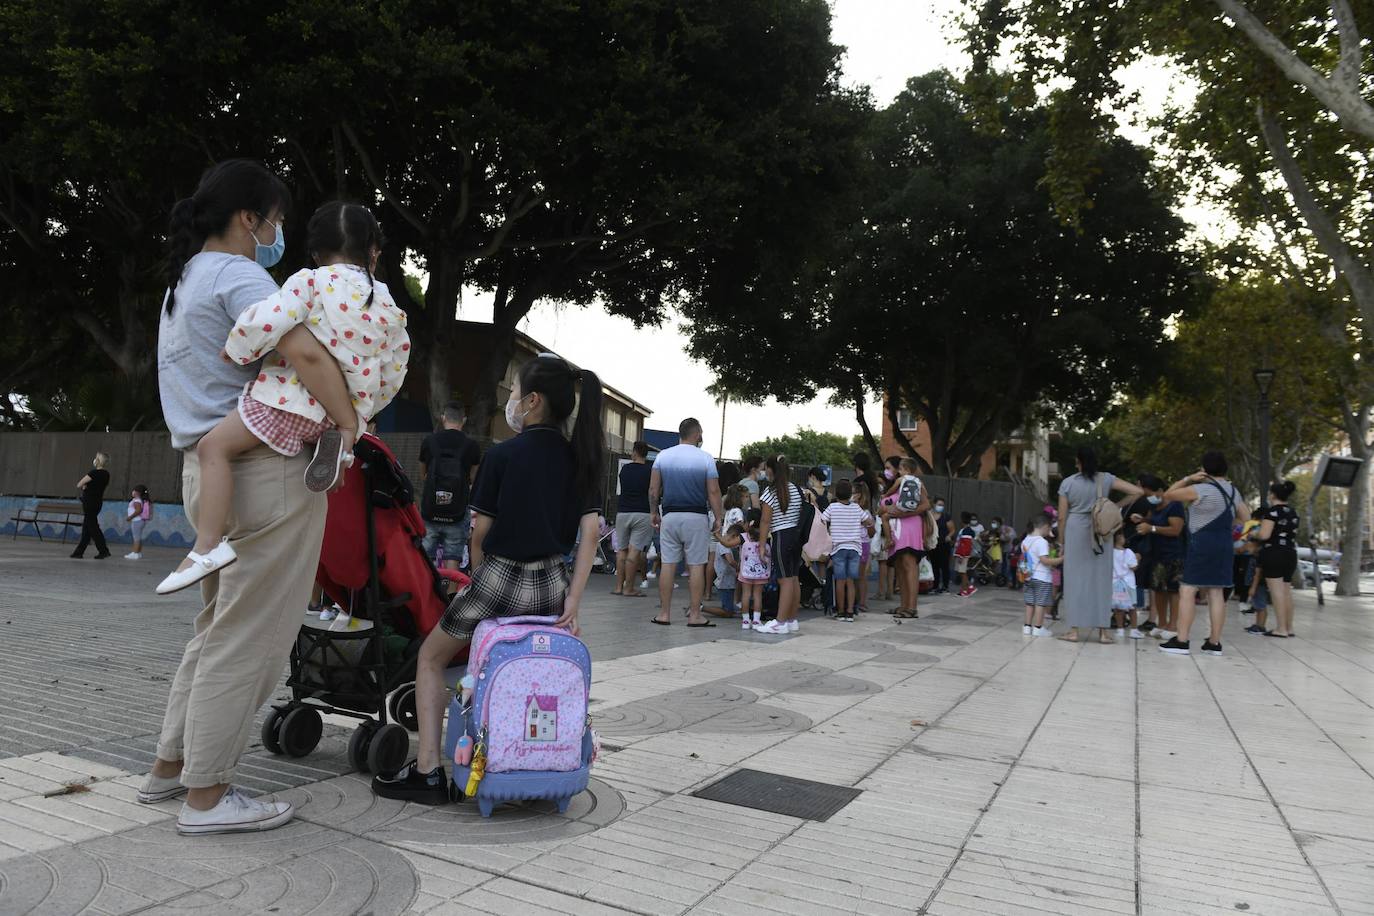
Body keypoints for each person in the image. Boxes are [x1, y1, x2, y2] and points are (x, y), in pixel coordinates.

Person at [142, 159, 348, 835]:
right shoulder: (240, 274)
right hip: (265, 470)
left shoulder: (184, 283)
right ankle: (209, 795)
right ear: (248, 219)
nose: (278, 232)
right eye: (277, 220)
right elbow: (306, 356)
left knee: (215, 631)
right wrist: (348, 420)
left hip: (207, 474)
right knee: (253, 638)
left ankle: (172, 768)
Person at [373, 354, 605, 803]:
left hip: (498, 578)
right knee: (534, 672)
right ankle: (526, 758)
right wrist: (572, 602)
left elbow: (478, 533)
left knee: (432, 659)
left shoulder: (502, 455)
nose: (511, 402)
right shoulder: (583, 459)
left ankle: (428, 772)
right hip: (553, 585)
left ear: (533, 401)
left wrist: (477, 584)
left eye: (515, 393)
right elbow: (590, 535)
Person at [155, 200, 405, 596]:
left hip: (287, 400)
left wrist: (238, 348)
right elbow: (393, 369)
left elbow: (273, 320)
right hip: (337, 412)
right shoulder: (388, 304)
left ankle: (205, 548)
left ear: (316, 252)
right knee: (324, 433)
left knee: (213, 448)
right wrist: (358, 412)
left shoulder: (310, 281)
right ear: (373, 251)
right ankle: (336, 449)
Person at [1158, 451, 1249, 656]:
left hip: (1202, 544)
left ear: (1204, 469)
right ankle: (1214, 643)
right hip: (1224, 544)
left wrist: (1188, 479)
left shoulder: (1200, 489)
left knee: (1188, 590)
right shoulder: (1233, 491)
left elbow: (1167, 495)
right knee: (1217, 592)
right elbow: (1246, 517)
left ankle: (1182, 640)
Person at [1056, 446, 1144, 644]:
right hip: (1102, 531)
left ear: (1078, 461)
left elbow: (1062, 517)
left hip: (1076, 530)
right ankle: (1104, 632)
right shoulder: (1106, 479)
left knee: (1075, 581)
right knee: (1102, 580)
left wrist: (1061, 541)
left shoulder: (1068, 483)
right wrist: (1115, 506)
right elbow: (1137, 491)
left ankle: (1074, 631)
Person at [648, 418, 724, 627]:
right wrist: (719, 518)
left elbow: (654, 490)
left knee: (668, 564)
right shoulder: (706, 459)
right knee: (697, 565)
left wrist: (654, 512)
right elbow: (714, 491)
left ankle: (664, 614)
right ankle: (695, 616)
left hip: (670, 515)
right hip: (696, 516)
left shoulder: (663, 456)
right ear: (697, 433)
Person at [420, 402, 482, 572]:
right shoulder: (472, 446)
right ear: (464, 420)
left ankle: (426, 596)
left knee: (425, 558)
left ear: (443, 418)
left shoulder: (429, 442)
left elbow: (423, 475)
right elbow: (473, 478)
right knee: (453, 557)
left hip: (430, 511)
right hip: (458, 512)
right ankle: (451, 597)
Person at [753, 455, 806, 635]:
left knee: (784, 580)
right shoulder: (797, 489)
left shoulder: (770, 492)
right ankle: (791, 619)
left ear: (771, 469)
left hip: (781, 536)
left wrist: (761, 545)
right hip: (796, 537)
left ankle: (780, 622)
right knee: (793, 578)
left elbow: (765, 521)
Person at [880, 457, 930, 618]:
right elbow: (882, 508)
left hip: (909, 527)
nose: (887, 471)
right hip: (896, 529)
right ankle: (903, 605)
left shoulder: (913, 483)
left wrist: (903, 513)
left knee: (909, 565)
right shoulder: (896, 485)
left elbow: (925, 504)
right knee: (900, 567)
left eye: (889, 467)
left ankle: (912, 607)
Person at [822, 479, 875, 621]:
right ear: (850, 494)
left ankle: (840, 612)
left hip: (838, 548)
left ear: (836, 494)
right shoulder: (857, 508)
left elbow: (822, 520)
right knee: (851, 580)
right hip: (855, 549)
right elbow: (869, 522)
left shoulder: (832, 507)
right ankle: (850, 611)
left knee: (840, 580)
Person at [1253, 480, 1300, 638]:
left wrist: (1254, 534)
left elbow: (1264, 535)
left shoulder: (1272, 512)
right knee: (1286, 591)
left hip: (1274, 553)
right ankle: (1289, 627)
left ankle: (1280, 629)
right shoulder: (1293, 512)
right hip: (1290, 553)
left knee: (1276, 592)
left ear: (1272, 495)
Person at [613, 440, 653, 597]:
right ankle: (629, 588)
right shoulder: (650, 471)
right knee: (634, 551)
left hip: (623, 512)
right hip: (642, 512)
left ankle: (618, 587)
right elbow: (653, 491)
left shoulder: (625, 470)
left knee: (621, 550)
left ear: (635, 452)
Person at [1020, 514, 1060, 636]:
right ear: (1044, 527)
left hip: (1027, 576)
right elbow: (1045, 560)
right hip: (1042, 578)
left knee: (1029, 603)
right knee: (1040, 603)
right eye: (1049, 529)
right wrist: (1061, 559)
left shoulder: (1025, 540)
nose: (1049, 532)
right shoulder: (1041, 542)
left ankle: (1027, 627)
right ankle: (1038, 628)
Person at [71, 452, 112, 559]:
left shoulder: (93, 473)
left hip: (89, 502)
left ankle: (103, 550)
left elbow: (79, 484)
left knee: (93, 527)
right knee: (87, 527)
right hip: (97, 502)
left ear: (98, 461)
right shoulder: (106, 474)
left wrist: (85, 486)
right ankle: (79, 552)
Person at [1110, 531, 1139, 637]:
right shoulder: (1128, 552)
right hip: (1128, 584)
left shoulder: (1110, 553)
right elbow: (1133, 567)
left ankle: (1120, 629)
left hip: (1115, 583)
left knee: (1118, 607)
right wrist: (1138, 559)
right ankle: (1134, 630)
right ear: (1120, 539)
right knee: (1132, 606)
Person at [853, 481, 876, 612]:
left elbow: (872, 533)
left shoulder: (865, 512)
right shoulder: (849, 509)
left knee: (861, 575)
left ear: (860, 495)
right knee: (852, 575)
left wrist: (868, 524)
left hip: (863, 544)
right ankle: (854, 600)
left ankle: (862, 602)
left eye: (853, 493)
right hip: (852, 543)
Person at [953, 512, 978, 597]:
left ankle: (968, 588)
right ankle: (964, 589)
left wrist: (961, 555)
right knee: (962, 572)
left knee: (962, 572)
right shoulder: (965, 530)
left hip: (963, 555)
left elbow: (965, 545)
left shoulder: (966, 531)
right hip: (962, 554)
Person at [930, 496, 952, 594]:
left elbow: (952, 529)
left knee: (944, 566)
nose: (941, 507)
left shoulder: (946, 516)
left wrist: (949, 536)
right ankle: (935, 585)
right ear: (934, 504)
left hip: (944, 544)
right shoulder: (929, 515)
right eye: (939, 504)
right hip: (933, 544)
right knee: (934, 565)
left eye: (942, 505)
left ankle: (945, 586)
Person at [125, 485, 152, 560]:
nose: (133, 492)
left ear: (138, 492)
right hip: (140, 521)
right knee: (138, 537)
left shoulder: (137, 500)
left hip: (137, 521)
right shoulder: (140, 500)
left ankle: (135, 553)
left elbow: (138, 510)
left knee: (136, 538)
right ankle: (138, 553)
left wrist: (130, 517)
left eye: (134, 490)